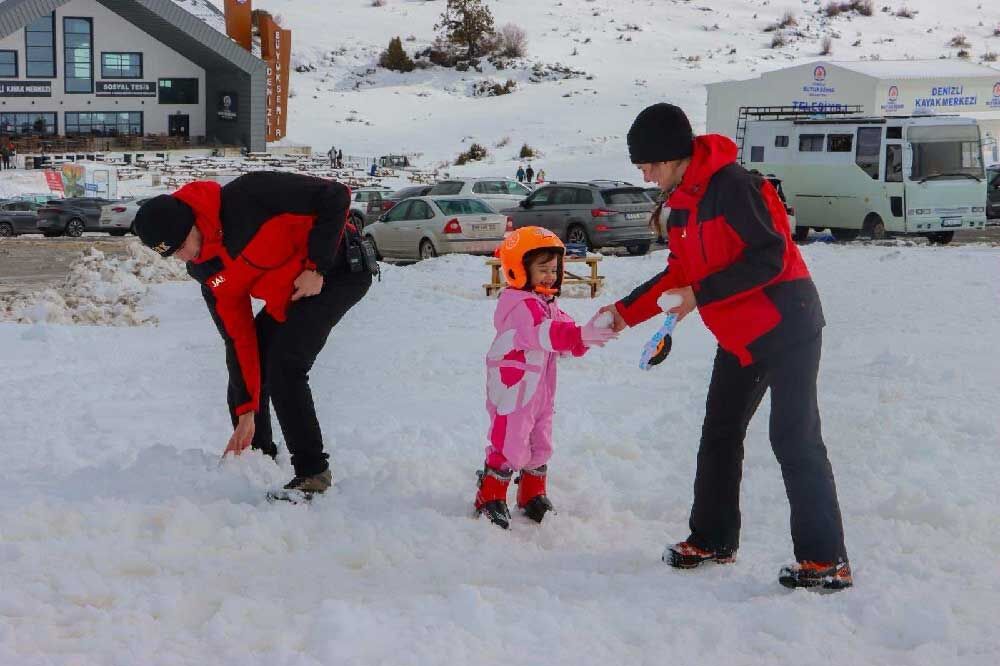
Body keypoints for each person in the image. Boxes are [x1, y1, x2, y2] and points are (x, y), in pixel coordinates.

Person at [600, 103, 851, 590]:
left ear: (675, 156)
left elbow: (771, 256)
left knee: (793, 437)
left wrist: (700, 294)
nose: (647, 177)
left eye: (650, 165)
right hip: (740, 336)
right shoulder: (680, 206)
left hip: (787, 321)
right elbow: (679, 273)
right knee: (719, 431)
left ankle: (825, 560)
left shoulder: (733, 186)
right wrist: (622, 315)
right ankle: (713, 537)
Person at [132, 171, 372, 498]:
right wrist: (247, 410)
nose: (183, 257)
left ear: (191, 223)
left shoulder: (251, 196)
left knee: (284, 365)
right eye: (172, 255)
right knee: (248, 366)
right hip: (288, 296)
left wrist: (317, 267)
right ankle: (257, 456)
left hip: (338, 270)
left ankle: (312, 473)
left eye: (180, 246)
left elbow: (336, 196)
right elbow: (238, 337)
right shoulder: (206, 270)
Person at [476, 227, 617, 529]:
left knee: (541, 441)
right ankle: (489, 494)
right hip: (514, 389)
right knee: (510, 441)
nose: (550, 276)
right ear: (518, 269)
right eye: (543, 269)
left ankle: (531, 493)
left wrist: (587, 336)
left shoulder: (546, 303)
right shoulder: (519, 305)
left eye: (554, 269)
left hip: (540, 391)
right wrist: (577, 335)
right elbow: (545, 333)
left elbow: (565, 331)